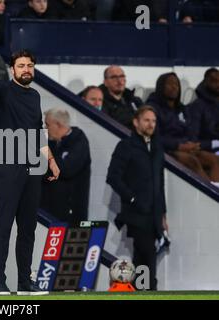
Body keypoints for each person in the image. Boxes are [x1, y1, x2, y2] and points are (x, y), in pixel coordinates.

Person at [0, 50, 60, 295]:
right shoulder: (4, 89)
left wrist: (52, 161)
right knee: (3, 225)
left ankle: (25, 282)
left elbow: (38, 132)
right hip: (7, 165)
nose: (26, 69)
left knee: (28, 228)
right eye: (21, 65)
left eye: (30, 65)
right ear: (12, 69)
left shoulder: (35, 96)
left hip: (33, 166)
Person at [106, 106, 168, 290]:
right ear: (136, 122)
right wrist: (132, 199)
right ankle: (150, 290)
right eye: (147, 120)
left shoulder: (157, 148)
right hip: (136, 213)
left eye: (154, 121)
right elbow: (113, 177)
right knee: (148, 253)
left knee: (142, 256)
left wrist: (163, 214)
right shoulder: (126, 146)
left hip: (154, 213)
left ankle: (137, 289)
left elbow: (160, 183)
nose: (151, 124)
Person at [146, 72, 219, 186]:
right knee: (192, 161)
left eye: (176, 84)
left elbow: (190, 130)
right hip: (166, 150)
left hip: (186, 147)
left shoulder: (182, 109)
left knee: (215, 159)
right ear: (161, 86)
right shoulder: (152, 108)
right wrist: (178, 145)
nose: (174, 87)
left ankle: (215, 189)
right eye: (170, 84)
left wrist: (191, 144)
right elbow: (154, 137)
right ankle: (210, 193)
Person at [41, 108, 91, 225]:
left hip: (71, 215)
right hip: (47, 210)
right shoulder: (49, 142)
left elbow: (66, 170)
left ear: (58, 124)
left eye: (47, 124)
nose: (45, 128)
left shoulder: (79, 142)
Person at [187, 68, 219, 154]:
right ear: (205, 82)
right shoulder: (197, 106)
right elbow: (193, 140)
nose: (218, 84)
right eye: (214, 81)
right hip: (207, 151)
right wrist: (215, 143)